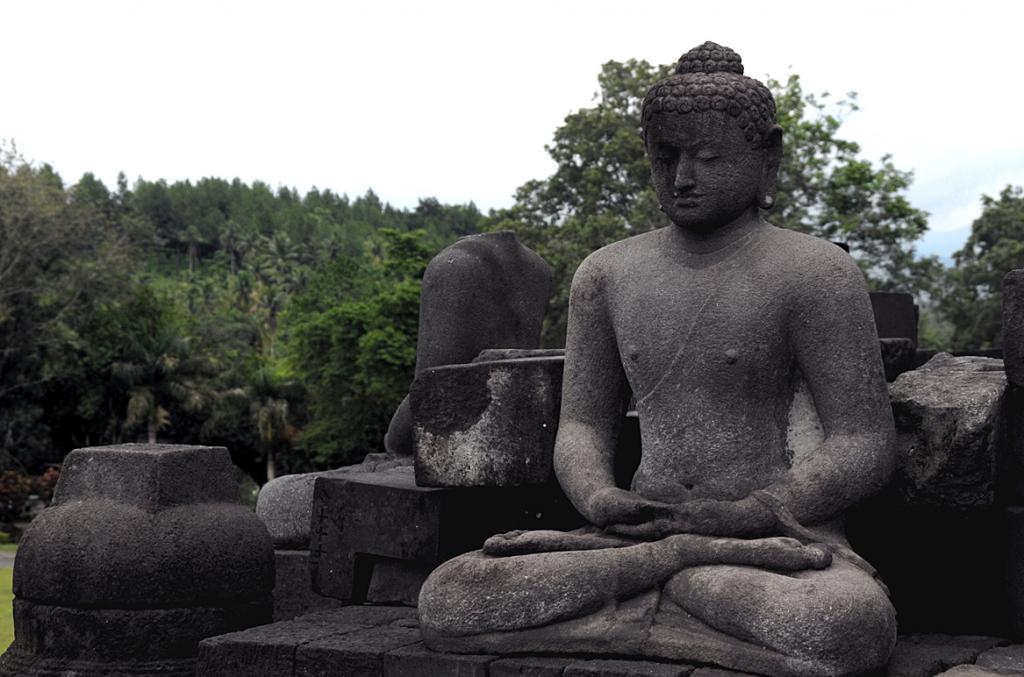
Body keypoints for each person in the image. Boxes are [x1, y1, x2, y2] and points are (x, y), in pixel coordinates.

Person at [418, 42, 897, 677]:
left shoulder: (815, 272)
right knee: (453, 592)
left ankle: (627, 603)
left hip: (768, 545)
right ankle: (666, 577)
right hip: (631, 537)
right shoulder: (607, 273)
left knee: (842, 622)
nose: (682, 179)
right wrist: (596, 497)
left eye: (707, 157)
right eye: (665, 157)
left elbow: (864, 440)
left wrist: (756, 511)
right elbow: (583, 425)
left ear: (767, 158)